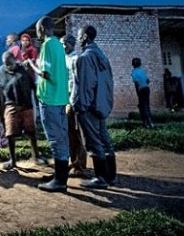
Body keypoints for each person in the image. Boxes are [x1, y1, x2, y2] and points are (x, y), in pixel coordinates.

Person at [25, 16, 69, 192]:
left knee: (55, 139)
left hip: (50, 98)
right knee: (61, 138)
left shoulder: (47, 45)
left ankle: (60, 181)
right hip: (60, 97)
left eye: (37, 29)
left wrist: (31, 65)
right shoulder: (58, 44)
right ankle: (59, 175)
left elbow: (46, 73)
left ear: (41, 29)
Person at [72, 24, 117, 189]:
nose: (78, 39)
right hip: (101, 105)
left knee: (93, 142)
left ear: (84, 37)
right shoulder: (102, 56)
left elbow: (85, 86)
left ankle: (100, 178)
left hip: (88, 107)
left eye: (79, 36)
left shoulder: (85, 58)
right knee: (105, 141)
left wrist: (81, 107)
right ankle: (110, 176)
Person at [0, 50, 45, 170]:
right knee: (10, 133)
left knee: (31, 131)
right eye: (6, 64)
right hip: (11, 104)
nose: (9, 66)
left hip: (26, 104)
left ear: (14, 60)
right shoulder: (2, 71)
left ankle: (36, 156)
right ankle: (12, 160)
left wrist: (35, 100)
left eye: (11, 63)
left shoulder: (23, 70)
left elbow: (32, 86)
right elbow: (0, 90)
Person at [62, 34, 88, 178]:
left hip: (74, 101)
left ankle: (79, 165)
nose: (62, 46)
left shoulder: (76, 59)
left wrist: (72, 102)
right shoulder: (64, 59)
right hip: (65, 100)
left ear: (71, 44)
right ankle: (73, 162)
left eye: (64, 44)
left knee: (77, 133)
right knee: (69, 133)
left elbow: (77, 83)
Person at [131, 57, 154, 128]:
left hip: (141, 90)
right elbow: (148, 81)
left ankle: (146, 123)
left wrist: (138, 93)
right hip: (147, 89)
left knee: (142, 106)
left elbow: (136, 83)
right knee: (146, 105)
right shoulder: (142, 71)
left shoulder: (134, 72)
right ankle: (150, 123)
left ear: (133, 64)